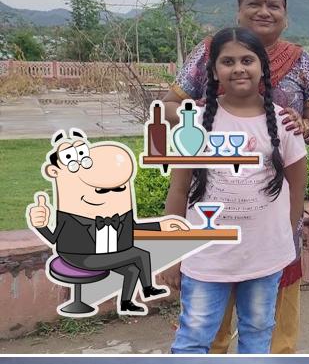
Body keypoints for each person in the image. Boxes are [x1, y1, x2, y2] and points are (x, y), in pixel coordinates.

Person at [162, 0, 309, 354]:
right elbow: (168, 107)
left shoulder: (301, 61)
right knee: (203, 323)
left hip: (271, 213)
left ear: (285, 15)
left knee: (267, 319)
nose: (264, 11)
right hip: (214, 217)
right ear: (238, 10)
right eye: (254, 3)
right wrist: (206, 117)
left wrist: (302, 126)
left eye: (274, 5)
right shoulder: (209, 51)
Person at [27, 130, 189, 315]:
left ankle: (128, 301)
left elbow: (133, 228)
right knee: (138, 256)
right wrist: (40, 224)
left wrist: (162, 226)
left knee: (132, 266)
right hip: (79, 256)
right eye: (101, 190)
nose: (110, 194)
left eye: (119, 188)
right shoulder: (71, 217)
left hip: (106, 252)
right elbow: (56, 238)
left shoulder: (118, 214)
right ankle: (147, 289)